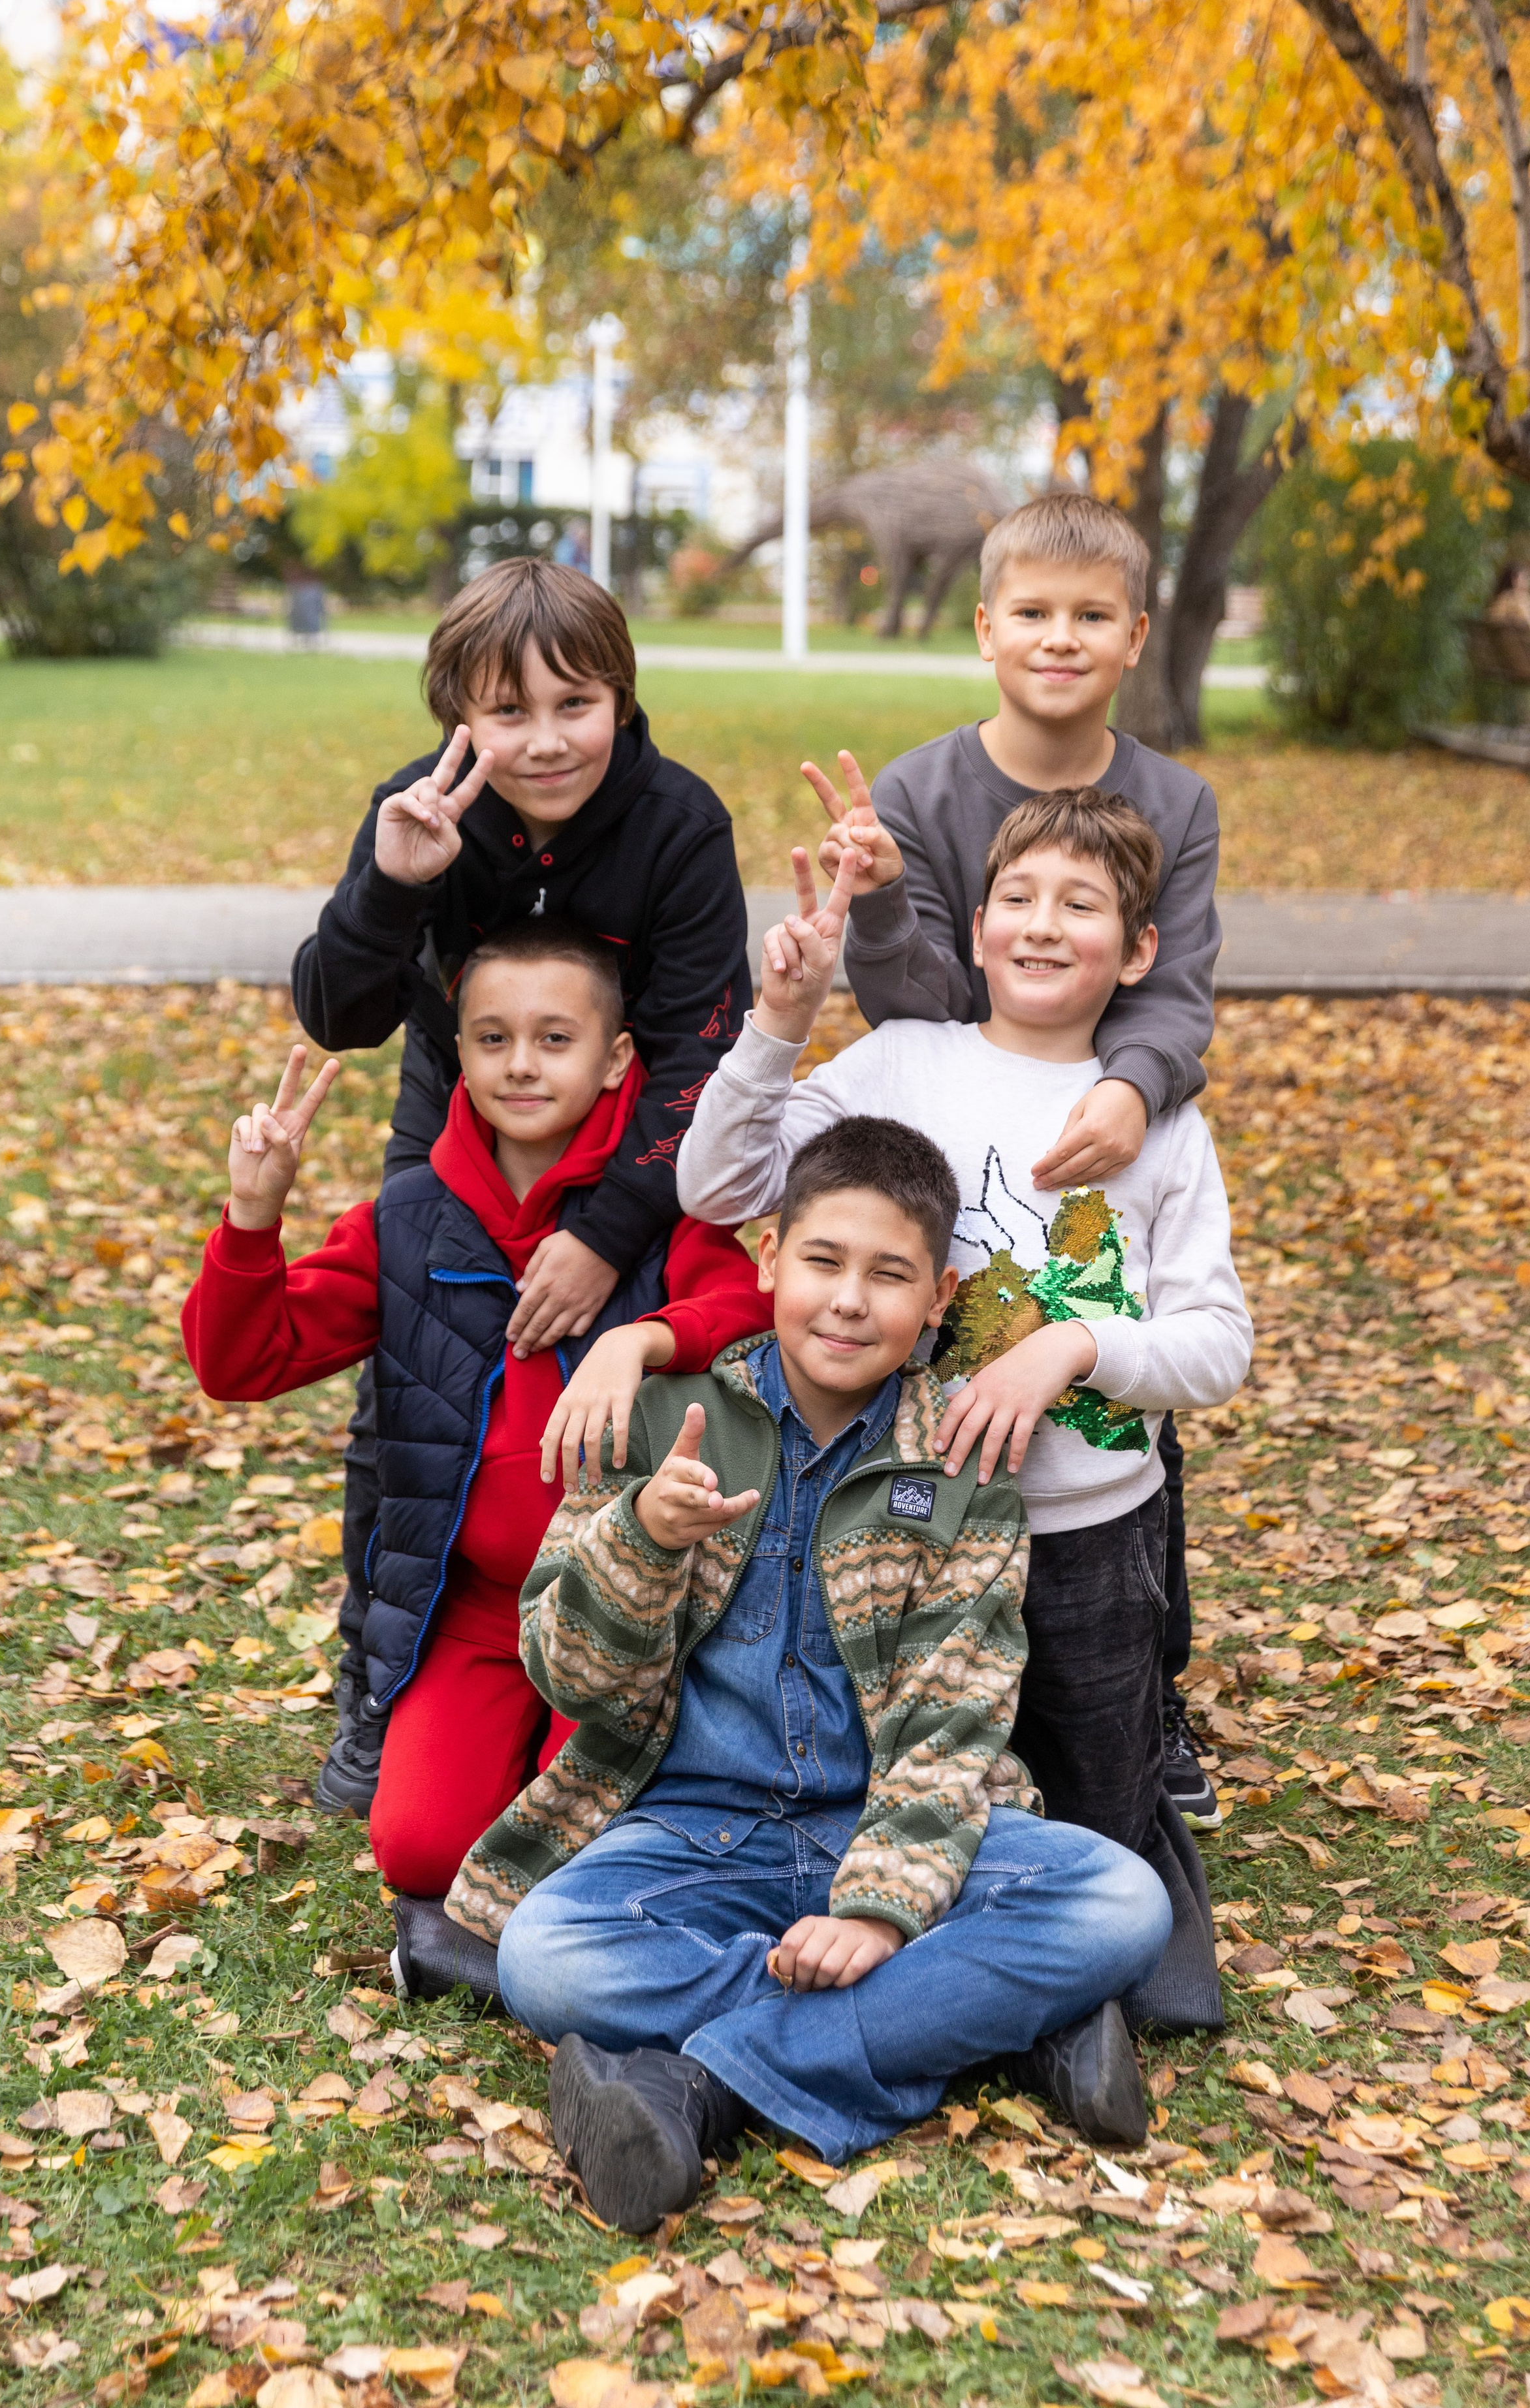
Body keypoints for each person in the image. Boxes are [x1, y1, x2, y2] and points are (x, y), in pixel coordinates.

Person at [445, 1116, 1173, 2230]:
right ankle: (997, 2022)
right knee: (547, 1956)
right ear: (769, 1255)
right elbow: (567, 1676)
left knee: (1121, 1901)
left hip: (889, 1821)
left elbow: (955, 1716)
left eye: (890, 1277)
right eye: (825, 1262)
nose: (848, 1300)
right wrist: (642, 1539)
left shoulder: (959, 1458)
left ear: (937, 1301)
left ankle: (704, 2086)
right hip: (693, 1828)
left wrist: (881, 1911)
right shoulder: (657, 1418)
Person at [674, 789, 1253, 2033]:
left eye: (1084, 908)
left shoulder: (1154, 1122)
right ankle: (928, 1970)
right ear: (977, 925)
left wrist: (1075, 1346)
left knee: (1098, 1827)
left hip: (1093, 1537)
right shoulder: (903, 1063)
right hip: (914, 1537)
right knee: (920, 1786)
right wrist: (780, 1022)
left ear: (1137, 951)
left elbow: (1217, 1346)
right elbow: (719, 1184)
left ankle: (1088, 1966)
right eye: (1022, 901)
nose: (1046, 928)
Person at [182, 919, 772, 1999]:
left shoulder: (655, 1207)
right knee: (413, 1845)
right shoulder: (410, 1217)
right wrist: (253, 1215)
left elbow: (746, 1300)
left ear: (616, 1058)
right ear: (457, 1051)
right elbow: (241, 1359)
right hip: (476, 1608)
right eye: (492, 1038)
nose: (522, 1064)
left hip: (623, 1606)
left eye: (556, 1038)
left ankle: (564, 1887)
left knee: (589, 1831)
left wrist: (640, 1338)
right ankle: (486, 1847)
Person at [291, 558, 753, 1815]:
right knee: (417, 1406)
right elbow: (338, 1012)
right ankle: (381, 1683)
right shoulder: (419, 808)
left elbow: (701, 1056)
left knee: (611, 1405)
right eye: (508, 714)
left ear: (621, 696)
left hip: (632, 1158)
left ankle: (605, 1652)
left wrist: (606, 1237)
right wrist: (394, 886)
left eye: (575, 705)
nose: (546, 742)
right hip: (456, 1132)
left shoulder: (677, 826)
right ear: (459, 718)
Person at [801, 492, 1225, 1830]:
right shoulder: (928, 788)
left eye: (1088, 617)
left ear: (1131, 636)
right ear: (985, 628)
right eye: (1031, 614)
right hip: (963, 1115)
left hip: (1103, 1117)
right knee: (961, 1392)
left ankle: (1141, 1704)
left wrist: (1133, 1089)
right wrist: (875, 894)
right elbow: (918, 991)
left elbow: (1177, 982)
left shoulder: (1173, 798)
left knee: (1117, 1421)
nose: (1058, 638)